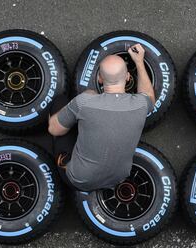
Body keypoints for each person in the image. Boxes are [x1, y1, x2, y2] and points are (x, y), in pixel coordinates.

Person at [48, 44, 155, 192]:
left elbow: (54, 129)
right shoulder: (141, 104)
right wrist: (139, 62)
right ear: (128, 77)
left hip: (79, 179)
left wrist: (85, 99)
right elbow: (149, 96)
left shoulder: (84, 101)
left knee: (60, 102)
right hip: (119, 179)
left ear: (99, 79)